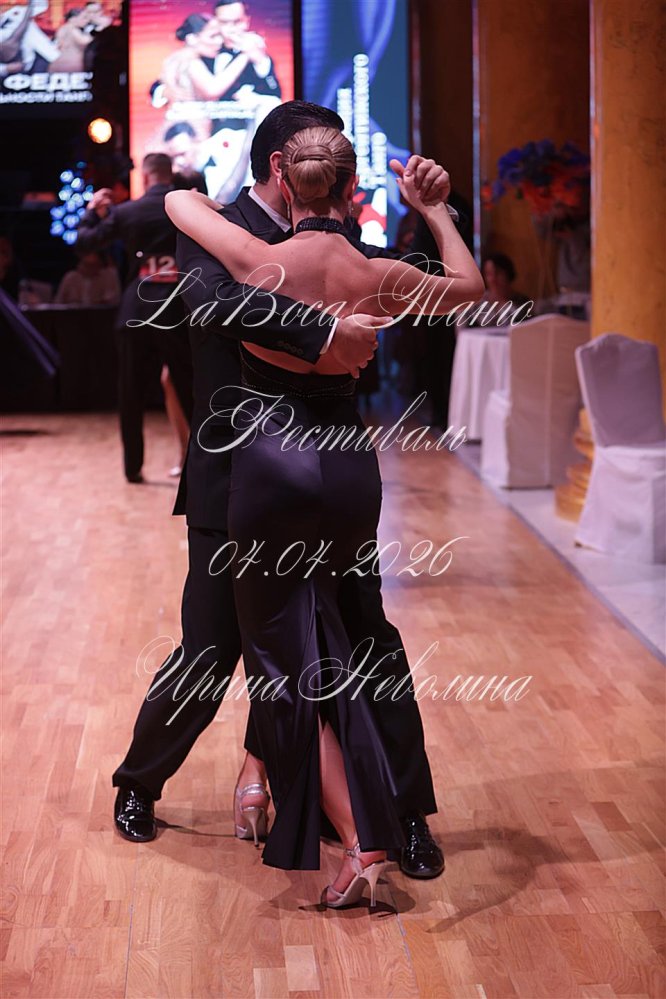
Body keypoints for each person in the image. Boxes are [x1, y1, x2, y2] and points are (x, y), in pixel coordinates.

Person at [112, 102, 454, 881]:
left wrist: (436, 211)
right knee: (212, 647)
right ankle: (138, 781)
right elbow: (212, 301)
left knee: (367, 640)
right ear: (281, 164)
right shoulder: (215, 224)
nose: (335, 170)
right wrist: (323, 331)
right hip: (234, 475)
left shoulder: (334, 231)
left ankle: (406, 813)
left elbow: (411, 281)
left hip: (330, 476)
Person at [76, 153, 193, 483]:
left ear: (144, 177)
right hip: (177, 310)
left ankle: (132, 468)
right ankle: (204, 466)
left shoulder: (127, 212)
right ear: (171, 176)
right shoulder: (189, 210)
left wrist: (91, 213)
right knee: (191, 390)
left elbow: (84, 243)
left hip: (136, 312)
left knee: (131, 392)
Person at [466, 252, 530, 328]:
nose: (493, 279)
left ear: (508, 273)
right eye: (488, 274)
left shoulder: (522, 302)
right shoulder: (476, 303)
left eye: (498, 272)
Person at [54, 250, 120, 306]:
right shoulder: (70, 278)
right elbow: (58, 303)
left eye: (92, 265)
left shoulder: (107, 277)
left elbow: (112, 301)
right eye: (86, 264)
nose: (89, 269)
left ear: (100, 265)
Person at [50, 8, 94, 73]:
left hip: (62, 63)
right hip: (70, 64)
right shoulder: (72, 29)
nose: (87, 21)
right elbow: (84, 41)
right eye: (84, 18)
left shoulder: (63, 28)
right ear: (73, 19)